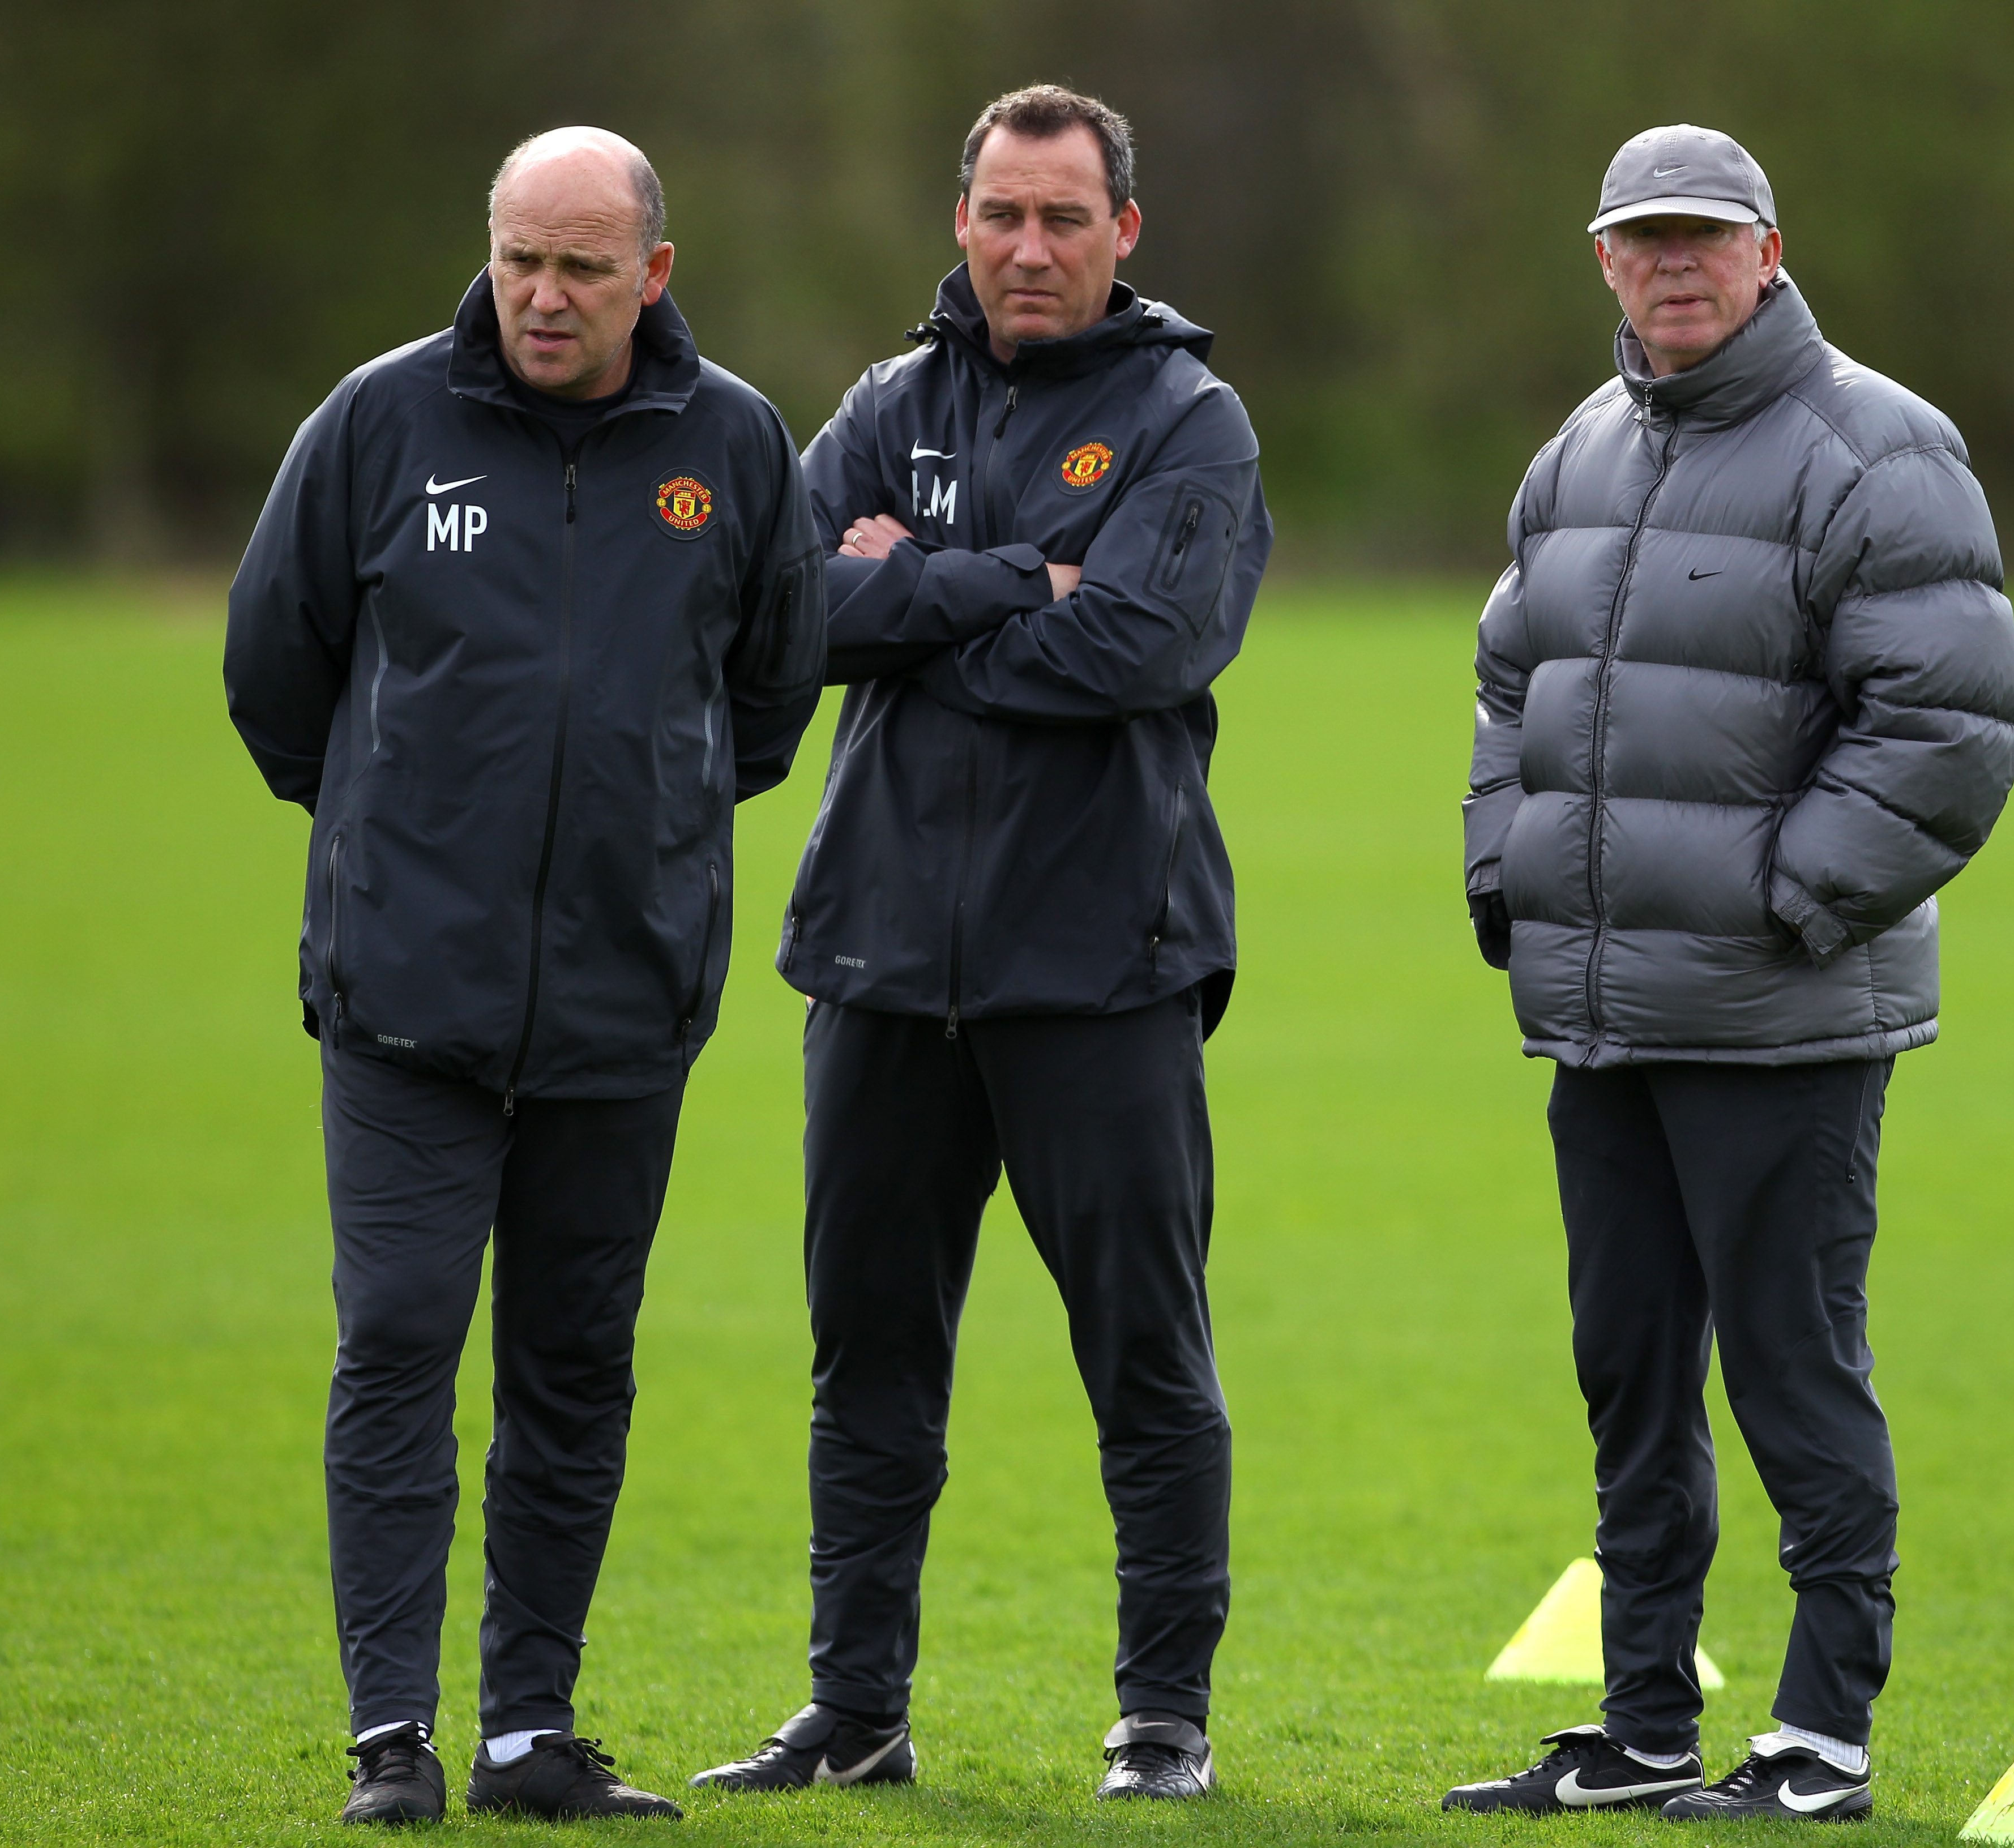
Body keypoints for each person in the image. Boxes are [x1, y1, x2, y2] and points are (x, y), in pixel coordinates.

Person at [224, 126, 823, 1826]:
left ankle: (525, 1738)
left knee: (576, 1362)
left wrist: (637, 844)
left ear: (656, 270)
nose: (544, 296)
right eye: (517, 259)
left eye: (579, 264)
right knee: (401, 1334)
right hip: (407, 999)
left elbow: (770, 700)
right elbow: (278, 676)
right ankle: (390, 1740)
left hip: (625, 1004)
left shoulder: (735, 446)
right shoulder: (379, 422)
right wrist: (395, 833)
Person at [690, 83, 1269, 1806]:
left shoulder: (1191, 421)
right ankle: (854, 1710)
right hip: (877, 963)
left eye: (1065, 219)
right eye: (1004, 215)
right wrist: (1023, 580)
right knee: (865, 1360)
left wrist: (920, 588)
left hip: (1105, 966)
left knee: (1146, 1359)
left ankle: (1162, 1718)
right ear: (963, 221)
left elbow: (1146, 651)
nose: (1032, 247)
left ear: (1124, 235)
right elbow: (784, 616)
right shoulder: (886, 401)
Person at [1442, 125, 2014, 1824]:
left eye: (1706, 237)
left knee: (1790, 1373)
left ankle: (1823, 1740)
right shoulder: (1580, 450)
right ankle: (1641, 1734)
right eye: (1643, 240)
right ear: (1603, 260)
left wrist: (1789, 898)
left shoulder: (1880, 445)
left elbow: (1951, 728)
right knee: (1629, 1375)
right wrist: (1505, 869)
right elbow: (1505, 686)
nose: (1673, 264)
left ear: (1770, 252)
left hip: (1782, 1017)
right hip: (1601, 1018)